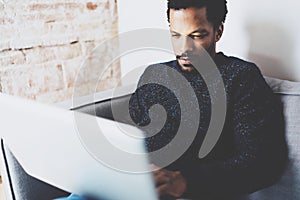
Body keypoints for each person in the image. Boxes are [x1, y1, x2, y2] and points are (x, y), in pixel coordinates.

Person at [61, 0, 287, 199]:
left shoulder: (241, 78)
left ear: (218, 32)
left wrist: (185, 181)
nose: (183, 49)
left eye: (196, 36)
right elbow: (129, 137)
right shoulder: (153, 75)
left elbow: (263, 163)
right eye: (175, 35)